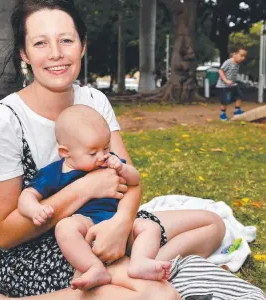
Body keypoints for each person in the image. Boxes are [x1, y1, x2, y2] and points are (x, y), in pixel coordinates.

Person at [0, 0, 266, 299]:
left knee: (211, 225)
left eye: (66, 40)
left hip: (105, 223)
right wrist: (86, 187)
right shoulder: (4, 121)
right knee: (158, 298)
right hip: (41, 247)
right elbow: (4, 234)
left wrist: (121, 225)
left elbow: (131, 182)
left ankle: (132, 269)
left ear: (83, 46)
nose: (56, 53)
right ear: (24, 54)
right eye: (41, 43)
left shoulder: (94, 101)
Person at [18, 105, 171, 291]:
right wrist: (34, 209)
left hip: (116, 223)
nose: (102, 156)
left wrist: (123, 169)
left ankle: (140, 262)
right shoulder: (54, 173)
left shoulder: (110, 162)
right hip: (85, 223)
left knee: (150, 227)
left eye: (106, 148)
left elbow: (135, 180)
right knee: (65, 228)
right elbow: (27, 195)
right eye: (93, 153)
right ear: (66, 152)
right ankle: (93, 267)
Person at [216, 47, 248, 121]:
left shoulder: (237, 63)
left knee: (240, 95)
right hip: (223, 85)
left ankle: (237, 110)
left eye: (244, 56)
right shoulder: (229, 62)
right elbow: (220, 71)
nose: (243, 58)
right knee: (225, 101)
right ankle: (222, 114)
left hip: (232, 84)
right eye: (241, 55)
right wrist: (226, 80)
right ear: (234, 54)